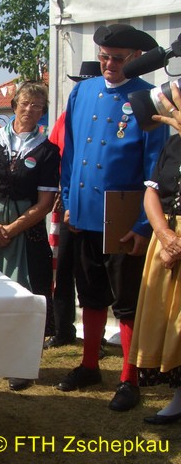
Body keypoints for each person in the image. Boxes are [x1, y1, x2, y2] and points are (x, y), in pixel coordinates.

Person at [56, 24, 168, 413]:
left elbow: (155, 165)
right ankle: (89, 365)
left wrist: (142, 225)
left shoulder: (148, 97)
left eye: (117, 59)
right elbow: (71, 153)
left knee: (127, 301)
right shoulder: (82, 91)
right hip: (84, 210)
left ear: (135, 58)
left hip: (123, 214)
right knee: (89, 293)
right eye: (103, 57)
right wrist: (68, 200)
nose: (108, 64)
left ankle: (129, 378)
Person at [0, 81, 59, 391]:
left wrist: (11, 229)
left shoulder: (48, 151)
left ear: (43, 111)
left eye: (37, 106)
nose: (30, 110)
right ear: (15, 105)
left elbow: (45, 203)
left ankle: (22, 363)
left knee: (25, 295)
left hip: (25, 229)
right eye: (25, 103)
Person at [129, 83, 181, 425]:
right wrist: (164, 235)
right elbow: (153, 191)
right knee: (170, 323)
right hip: (168, 238)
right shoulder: (173, 144)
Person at [44, 61, 102, 349]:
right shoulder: (67, 116)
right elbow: (55, 154)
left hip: (97, 204)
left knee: (93, 273)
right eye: (81, 82)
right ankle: (63, 328)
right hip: (66, 200)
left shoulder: (106, 114)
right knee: (63, 267)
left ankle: (95, 337)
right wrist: (59, 189)